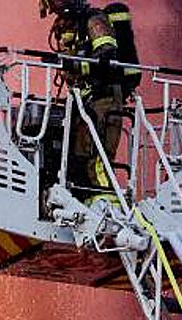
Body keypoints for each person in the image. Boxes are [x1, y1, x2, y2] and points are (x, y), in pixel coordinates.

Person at [42, 0, 130, 196]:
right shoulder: (74, 26)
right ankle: (88, 200)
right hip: (84, 102)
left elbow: (107, 60)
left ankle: (109, 204)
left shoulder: (94, 20)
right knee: (79, 162)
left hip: (103, 99)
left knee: (97, 161)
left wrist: (70, 64)